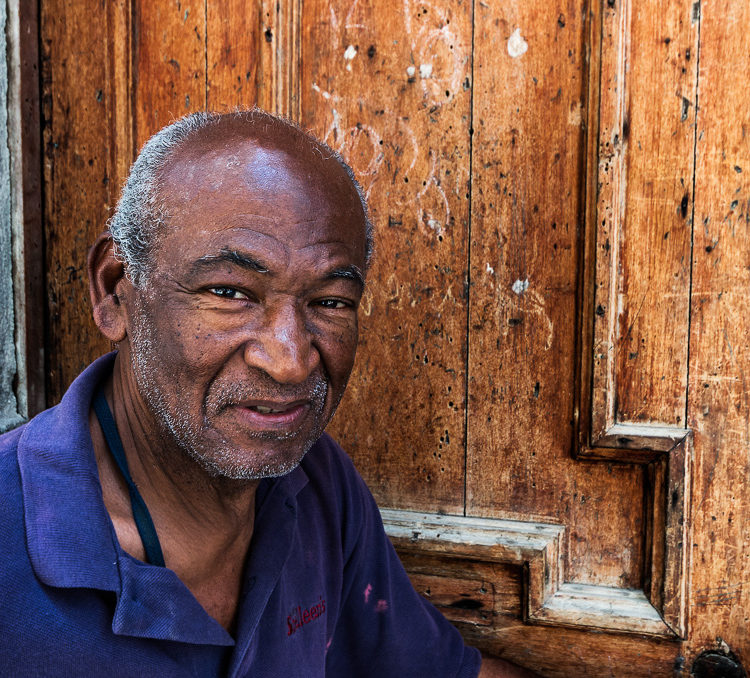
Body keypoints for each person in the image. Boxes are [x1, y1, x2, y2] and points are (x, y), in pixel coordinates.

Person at [0, 110, 533, 677]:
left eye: (330, 302)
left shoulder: (314, 486)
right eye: (231, 292)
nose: (290, 361)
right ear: (114, 290)